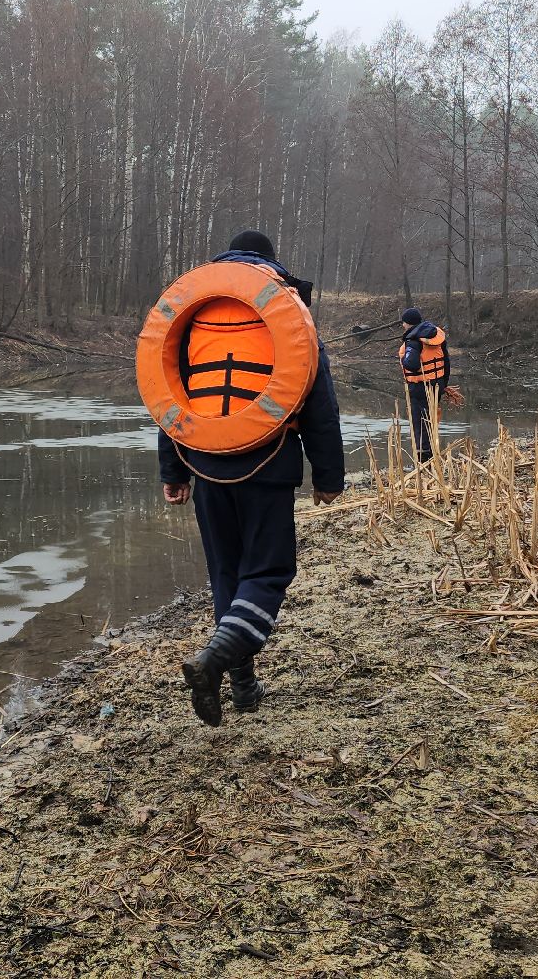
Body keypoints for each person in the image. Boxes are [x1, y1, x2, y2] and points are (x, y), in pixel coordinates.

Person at [156, 230, 344, 727]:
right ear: (270, 264)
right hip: (268, 463)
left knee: (228, 574)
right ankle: (216, 663)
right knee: (266, 573)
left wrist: (172, 471)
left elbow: (170, 399)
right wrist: (328, 477)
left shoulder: (192, 314)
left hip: (204, 463)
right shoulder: (287, 315)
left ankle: (242, 686)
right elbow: (320, 408)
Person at [399, 307, 454, 463]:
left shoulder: (413, 340)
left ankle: (423, 459)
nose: (403, 325)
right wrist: (443, 385)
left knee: (420, 423)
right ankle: (432, 455)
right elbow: (446, 362)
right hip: (436, 385)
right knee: (431, 421)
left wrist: (403, 359)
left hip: (419, 388)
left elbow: (411, 364)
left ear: (408, 323)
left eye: (403, 322)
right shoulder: (436, 335)